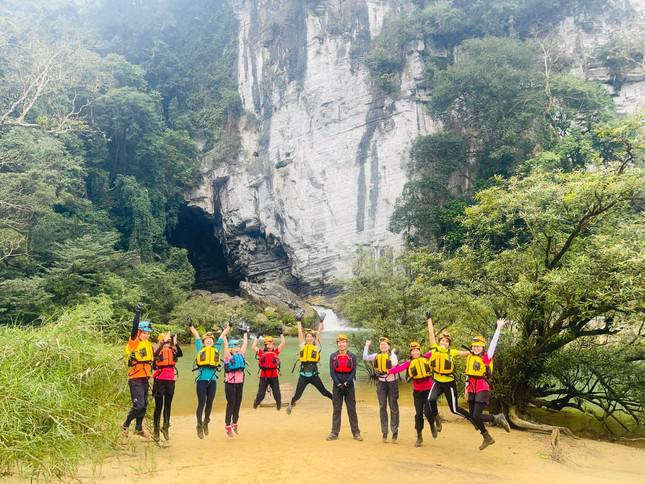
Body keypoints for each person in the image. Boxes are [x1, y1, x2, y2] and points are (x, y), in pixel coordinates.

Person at [465, 318, 511, 450]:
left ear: (482, 347)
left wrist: (498, 328)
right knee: (472, 417)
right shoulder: (470, 357)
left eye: (478, 346)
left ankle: (497, 418)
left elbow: (493, 344)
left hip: (481, 387)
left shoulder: (486, 357)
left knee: (476, 415)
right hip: (471, 387)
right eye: (474, 346)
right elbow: (468, 373)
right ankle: (487, 437)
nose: (475, 348)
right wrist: (466, 388)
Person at [426, 313, 474, 432]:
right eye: (442, 340)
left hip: (449, 383)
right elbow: (431, 333)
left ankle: (471, 418)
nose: (444, 343)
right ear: (439, 342)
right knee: (430, 399)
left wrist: (473, 352)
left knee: (454, 409)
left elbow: (464, 353)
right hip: (437, 381)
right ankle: (437, 418)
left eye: (446, 342)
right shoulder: (434, 349)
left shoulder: (451, 352)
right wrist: (429, 319)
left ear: (449, 344)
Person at [388, 341, 436, 447]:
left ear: (420, 351)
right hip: (418, 392)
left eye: (417, 350)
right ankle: (419, 436)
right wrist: (388, 371)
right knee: (419, 414)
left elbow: (436, 350)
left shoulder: (427, 357)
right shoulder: (409, 363)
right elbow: (398, 369)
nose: (415, 353)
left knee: (428, 412)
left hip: (428, 390)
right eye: (413, 351)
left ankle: (432, 425)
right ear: (411, 353)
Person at [188, 322, 230, 439]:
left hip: (212, 381)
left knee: (210, 402)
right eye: (207, 339)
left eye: (211, 339)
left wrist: (228, 327)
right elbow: (196, 336)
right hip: (201, 381)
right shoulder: (200, 347)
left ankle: (206, 421)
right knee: (202, 402)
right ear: (204, 341)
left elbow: (221, 337)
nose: (209, 341)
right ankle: (199, 425)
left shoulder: (216, 348)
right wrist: (191, 326)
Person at [287, 310, 332, 414]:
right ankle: (291, 404)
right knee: (297, 395)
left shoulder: (316, 346)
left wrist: (321, 321)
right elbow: (299, 333)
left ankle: (335, 400)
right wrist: (298, 321)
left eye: (311, 336)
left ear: (313, 338)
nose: (309, 338)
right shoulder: (302, 345)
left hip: (314, 375)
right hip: (303, 375)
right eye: (307, 337)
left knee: (324, 392)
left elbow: (319, 333)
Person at [122, 303, 154, 438]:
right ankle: (125, 425)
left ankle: (139, 428)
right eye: (144, 333)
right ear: (140, 333)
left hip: (145, 377)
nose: (146, 336)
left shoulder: (147, 344)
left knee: (144, 404)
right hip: (135, 378)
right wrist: (138, 313)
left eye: (148, 333)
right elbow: (134, 329)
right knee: (138, 405)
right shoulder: (134, 342)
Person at [363, 337, 399, 443]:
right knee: (382, 407)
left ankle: (394, 432)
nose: (383, 346)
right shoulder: (376, 356)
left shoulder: (392, 356)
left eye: (385, 344)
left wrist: (392, 353)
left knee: (393, 407)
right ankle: (384, 432)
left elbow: (395, 364)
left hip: (392, 383)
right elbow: (365, 357)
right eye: (381, 345)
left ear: (389, 346)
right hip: (380, 383)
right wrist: (367, 346)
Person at [327, 333, 362, 441]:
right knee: (337, 409)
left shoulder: (352, 356)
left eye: (343, 342)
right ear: (337, 344)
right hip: (337, 384)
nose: (341, 344)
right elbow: (332, 372)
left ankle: (356, 433)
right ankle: (334, 433)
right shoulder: (333, 356)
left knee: (351, 409)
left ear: (346, 343)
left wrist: (347, 383)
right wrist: (338, 384)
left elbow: (353, 371)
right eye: (339, 343)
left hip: (349, 384)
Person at [151, 332, 182, 442]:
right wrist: (163, 342)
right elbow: (155, 355)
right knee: (159, 406)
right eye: (165, 342)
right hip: (159, 381)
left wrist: (175, 343)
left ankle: (165, 427)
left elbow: (180, 354)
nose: (167, 344)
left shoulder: (172, 350)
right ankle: (155, 431)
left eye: (168, 342)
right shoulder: (157, 351)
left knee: (168, 405)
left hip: (170, 381)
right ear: (160, 342)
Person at [221, 327, 249, 437]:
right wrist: (225, 333)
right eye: (234, 347)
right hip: (230, 384)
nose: (237, 348)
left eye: (237, 346)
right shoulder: (227, 356)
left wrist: (245, 332)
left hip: (239, 383)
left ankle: (235, 423)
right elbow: (225, 344)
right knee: (231, 403)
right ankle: (228, 425)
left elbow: (245, 343)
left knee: (237, 404)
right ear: (231, 349)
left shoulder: (241, 355)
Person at [252, 331, 286, 410]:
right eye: (268, 344)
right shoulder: (261, 353)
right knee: (261, 395)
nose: (270, 345)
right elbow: (253, 347)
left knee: (277, 393)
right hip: (264, 377)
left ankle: (278, 406)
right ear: (265, 345)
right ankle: (256, 403)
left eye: (271, 344)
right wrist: (257, 337)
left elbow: (283, 343)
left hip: (274, 376)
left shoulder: (275, 352)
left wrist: (281, 333)